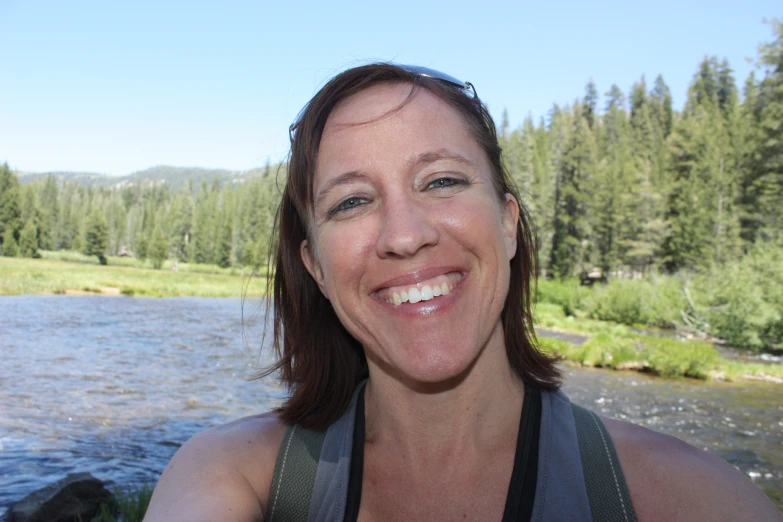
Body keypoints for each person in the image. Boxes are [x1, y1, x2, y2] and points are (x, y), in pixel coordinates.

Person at [143, 63, 781, 521]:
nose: (404, 235)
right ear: (315, 267)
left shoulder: (684, 496)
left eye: (442, 181)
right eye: (353, 201)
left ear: (508, 224)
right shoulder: (233, 477)